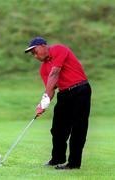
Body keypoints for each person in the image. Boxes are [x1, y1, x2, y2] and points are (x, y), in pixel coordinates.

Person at [25, 37, 92, 170]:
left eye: (35, 51)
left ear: (43, 46)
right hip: (64, 94)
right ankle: (57, 158)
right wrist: (42, 105)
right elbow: (50, 89)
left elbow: (55, 73)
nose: (35, 55)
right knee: (57, 129)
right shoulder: (43, 69)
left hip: (80, 90)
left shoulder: (58, 49)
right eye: (32, 54)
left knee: (78, 128)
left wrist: (44, 98)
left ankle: (74, 164)